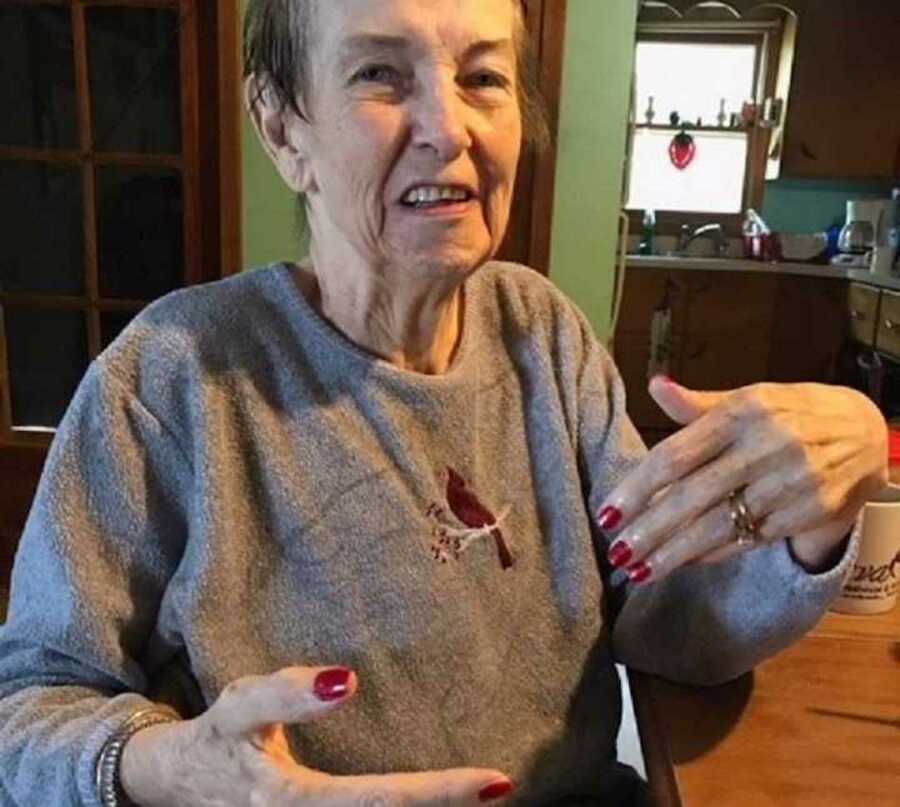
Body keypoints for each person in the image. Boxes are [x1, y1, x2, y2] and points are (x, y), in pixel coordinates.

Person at [0, 0, 887, 805]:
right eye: (380, 74)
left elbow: (668, 628)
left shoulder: (545, 334)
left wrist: (818, 515)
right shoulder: (170, 378)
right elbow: (25, 710)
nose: (448, 126)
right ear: (281, 127)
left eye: (484, 77)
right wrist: (174, 766)